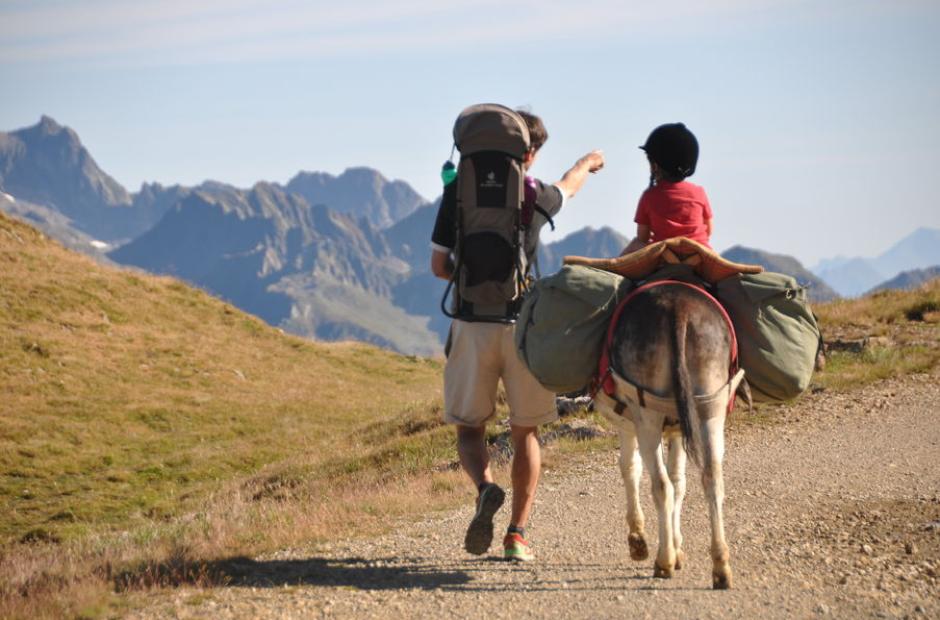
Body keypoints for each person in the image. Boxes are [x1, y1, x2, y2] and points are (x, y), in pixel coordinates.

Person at [430, 108, 604, 562]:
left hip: (471, 324)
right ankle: (517, 536)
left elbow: (437, 266)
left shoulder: (456, 194)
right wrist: (586, 164)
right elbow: (569, 187)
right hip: (520, 327)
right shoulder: (533, 194)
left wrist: (465, 274)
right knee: (525, 432)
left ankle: (487, 487)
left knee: (470, 429)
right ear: (530, 153)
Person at [621, 123, 713, 255]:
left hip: (663, 256)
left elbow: (642, 237)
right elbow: (709, 230)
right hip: (700, 255)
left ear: (655, 166)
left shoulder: (649, 196)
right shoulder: (699, 192)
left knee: (635, 245)